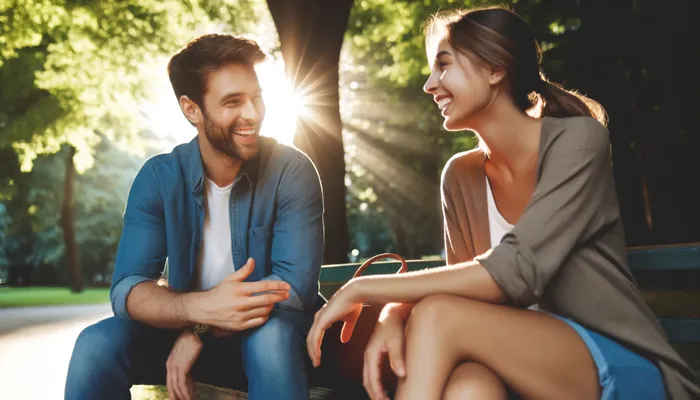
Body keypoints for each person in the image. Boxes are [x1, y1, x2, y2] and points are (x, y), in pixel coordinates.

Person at [306, 6, 700, 400]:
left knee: (440, 317)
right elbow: (461, 286)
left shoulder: (578, 141)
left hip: (616, 364)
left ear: (495, 69)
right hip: (516, 368)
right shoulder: (459, 176)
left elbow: (515, 271)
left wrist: (364, 290)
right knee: (468, 388)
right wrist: (394, 310)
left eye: (443, 65)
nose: (430, 84)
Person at [65, 33, 325, 400]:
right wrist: (198, 312)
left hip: (275, 340)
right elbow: (128, 289)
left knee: (271, 340)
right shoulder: (158, 177)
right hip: (182, 336)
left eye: (256, 98)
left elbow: (291, 290)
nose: (251, 113)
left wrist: (199, 330)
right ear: (192, 110)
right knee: (95, 345)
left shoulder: (291, 170)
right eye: (232, 102)